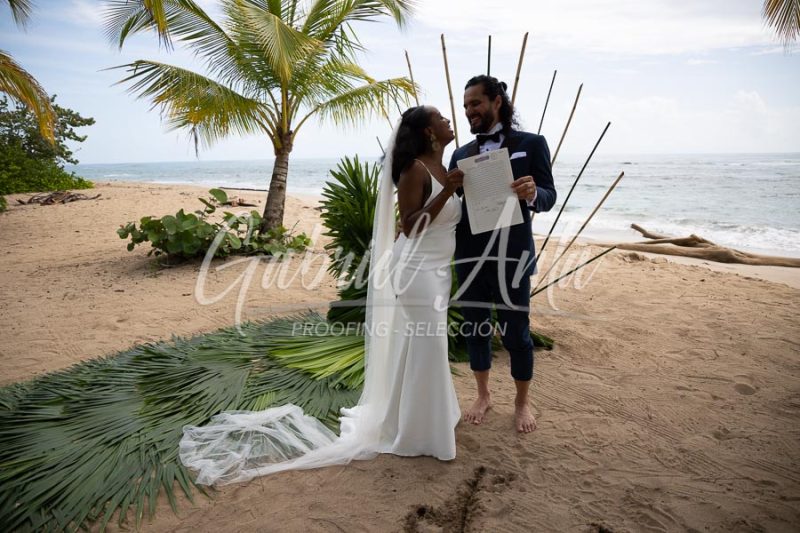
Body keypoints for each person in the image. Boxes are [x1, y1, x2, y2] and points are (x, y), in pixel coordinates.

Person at [178, 106, 465, 484]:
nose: (448, 121)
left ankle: (419, 420)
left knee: (422, 344)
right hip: (415, 270)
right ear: (428, 131)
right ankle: (421, 433)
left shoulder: (447, 167)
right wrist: (448, 191)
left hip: (438, 271)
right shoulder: (416, 169)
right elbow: (410, 226)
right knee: (429, 344)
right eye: (441, 118)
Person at [448, 75, 557, 434]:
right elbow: (452, 204)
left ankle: (522, 402)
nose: (469, 111)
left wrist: (533, 192)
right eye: (465, 105)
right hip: (470, 255)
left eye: (475, 103)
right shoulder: (460, 154)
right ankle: (483, 395)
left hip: (513, 256)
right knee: (475, 328)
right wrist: (451, 188)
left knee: (516, 333)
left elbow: (548, 196)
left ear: (497, 101)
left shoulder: (532, 144)